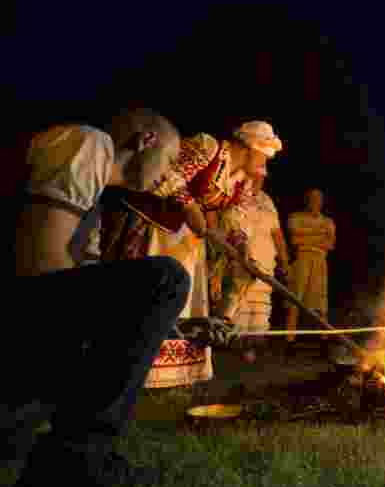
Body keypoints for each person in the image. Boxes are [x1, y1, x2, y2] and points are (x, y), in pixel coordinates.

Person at [5, 109, 190, 487]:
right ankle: (77, 459)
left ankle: (69, 450)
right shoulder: (88, 142)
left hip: (31, 304)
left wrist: (171, 325)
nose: (173, 175)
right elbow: (40, 264)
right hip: (18, 304)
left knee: (155, 287)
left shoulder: (99, 199)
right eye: (173, 160)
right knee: (165, 278)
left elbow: (79, 286)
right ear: (145, 141)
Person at [100, 120, 282, 387]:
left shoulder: (241, 181)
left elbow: (235, 219)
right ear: (249, 148)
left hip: (183, 242)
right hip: (150, 225)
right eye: (265, 154)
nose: (266, 162)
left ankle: (164, 377)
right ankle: (120, 371)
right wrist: (189, 207)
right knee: (139, 297)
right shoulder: (208, 148)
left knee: (176, 302)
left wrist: (241, 247)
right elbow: (165, 170)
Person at [212, 173, 290, 361]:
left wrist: (285, 261)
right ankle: (232, 345)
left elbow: (277, 233)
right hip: (241, 258)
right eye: (255, 176)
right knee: (239, 299)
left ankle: (253, 345)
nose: (258, 180)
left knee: (260, 306)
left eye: (262, 177)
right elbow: (226, 224)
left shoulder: (267, 200)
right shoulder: (234, 195)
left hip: (265, 260)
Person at [284, 188, 334, 342]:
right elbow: (294, 241)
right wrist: (319, 236)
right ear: (307, 200)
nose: (315, 202)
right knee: (295, 299)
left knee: (321, 301)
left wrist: (304, 235)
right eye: (312, 198)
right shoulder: (295, 217)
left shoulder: (328, 222)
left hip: (319, 261)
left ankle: (323, 340)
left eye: (318, 199)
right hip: (301, 259)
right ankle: (289, 340)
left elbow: (330, 244)